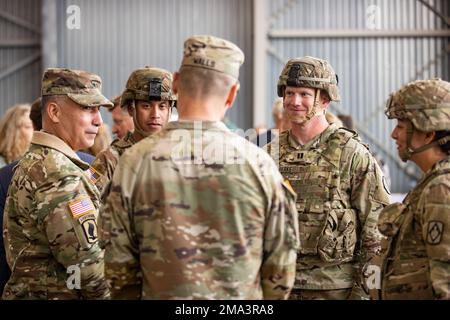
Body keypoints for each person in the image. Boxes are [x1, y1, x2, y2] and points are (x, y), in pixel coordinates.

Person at [101, 35, 299, 300]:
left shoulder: (133, 163)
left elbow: (118, 267)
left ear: (177, 82)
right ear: (232, 93)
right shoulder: (260, 164)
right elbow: (280, 271)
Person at [265, 56, 390, 300]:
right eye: (289, 93)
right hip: (279, 289)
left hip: (334, 290)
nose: (294, 102)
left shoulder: (351, 154)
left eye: (304, 94)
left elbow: (377, 234)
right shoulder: (269, 154)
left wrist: (363, 294)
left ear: (324, 99)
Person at [2, 68, 111, 299]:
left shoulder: (40, 161)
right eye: (87, 108)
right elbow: (91, 274)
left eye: (98, 109)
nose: (99, 120)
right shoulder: (59, 175)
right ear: (54, 111)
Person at [378, 78, 450, 300]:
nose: (394, 135)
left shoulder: (441, 190)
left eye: (400, 126)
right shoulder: (430, 182)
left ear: (428, 133)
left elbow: (445, 284)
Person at [91, 67, 176, 195]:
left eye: (162, 106)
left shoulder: (182, 155)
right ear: (132, 109)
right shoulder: (109, 160)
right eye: (146, 106)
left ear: (170, 110)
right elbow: (91, 208)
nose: (155, 115)